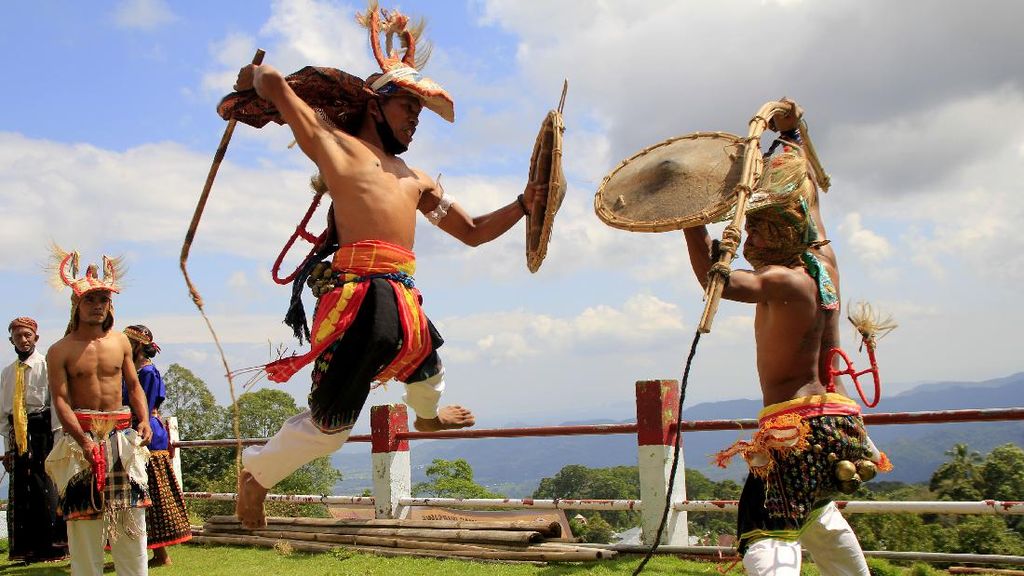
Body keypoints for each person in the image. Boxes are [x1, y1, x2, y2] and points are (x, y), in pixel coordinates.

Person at [226, 3, 543, 529]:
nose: (415, 120)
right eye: (407, 108)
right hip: (358, 297)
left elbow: (473, 231)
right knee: (331, 428)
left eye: (420, 113)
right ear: (376, 107)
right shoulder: (337, 150)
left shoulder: (417, 179)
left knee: (428, 364)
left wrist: (523, 205)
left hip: (401, 294)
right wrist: (255, 77)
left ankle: (426, 417)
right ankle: (256, 476)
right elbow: (278, 84)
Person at [682, 107, 889, 576]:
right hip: (841, 425)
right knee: (817, 515)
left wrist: (690, 220)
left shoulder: (781, 279)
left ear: (777, 235)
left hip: (795, 430)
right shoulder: (823, 264)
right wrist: (791, 135)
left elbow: (718, 280)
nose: (749, 239)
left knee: (767, 533)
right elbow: (809, 200)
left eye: (757, 229)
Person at [44, 250, 153, 576]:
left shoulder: (120, 343)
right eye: (91, 299)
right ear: (76, 303)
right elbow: (60, 400)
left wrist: (144, 419)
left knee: (132, 526)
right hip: (81, 443)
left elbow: (134, 386)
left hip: (122, 439)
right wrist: (84, 441)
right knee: (84, 528)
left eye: (104, 299)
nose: (98, 305)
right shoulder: (60, 350)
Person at [122, 325, 191, 566]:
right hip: (131, 430)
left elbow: (144, 404)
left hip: (146, 433)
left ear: (137, 346)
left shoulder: (148, 372)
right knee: (139, 492)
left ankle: (161, 554)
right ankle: (146, 552)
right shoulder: (131, 371)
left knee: (152, 492)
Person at [1, 317, 68, 563]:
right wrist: (8, 448)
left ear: (36, 338)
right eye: (18, 336)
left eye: (27, 335)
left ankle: (53, 548)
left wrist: (58, 439)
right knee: (22, 490)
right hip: (17, 434)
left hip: (43, 431)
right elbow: (3, 414)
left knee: (46, 487)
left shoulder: (47, 366)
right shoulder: (7, 373)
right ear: (11, 341)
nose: (23, 340)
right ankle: (25, 549)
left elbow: (57, 404)